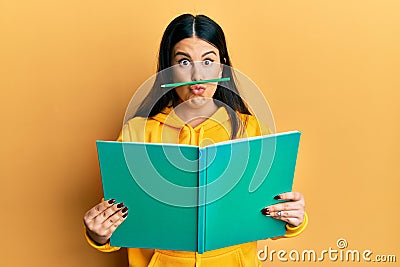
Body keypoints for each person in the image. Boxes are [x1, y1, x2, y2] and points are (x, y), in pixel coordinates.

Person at [83, 13, 307, 267]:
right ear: (168, 70)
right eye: (184, 62)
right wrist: (98, 234)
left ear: (222, 67)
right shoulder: (137, 132)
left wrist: (294, 217)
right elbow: (117, 217)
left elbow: (272, 207)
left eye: (208, 61)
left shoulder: (253, 129)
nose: (198, 75)